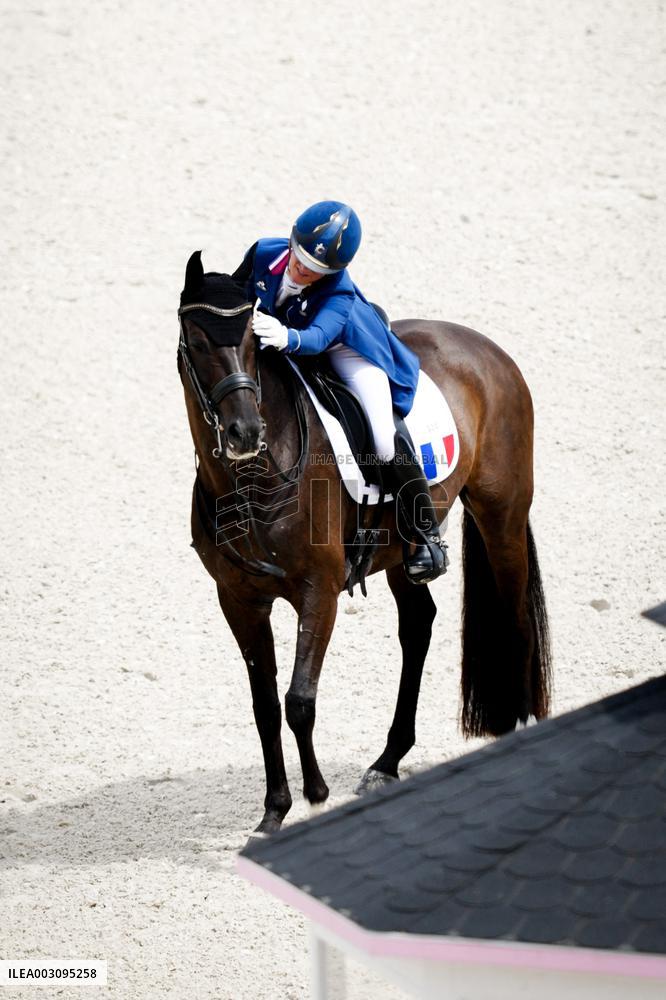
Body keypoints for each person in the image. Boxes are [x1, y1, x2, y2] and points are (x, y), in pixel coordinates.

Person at [232, 200, 446, 584]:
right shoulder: (264, 251)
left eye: (315, 271)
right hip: (285, 336)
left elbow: (318, 338)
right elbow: (236, 294)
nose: (302, 270)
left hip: (347, 352)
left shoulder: (339, 292)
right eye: (299, 259)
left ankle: (426, 534)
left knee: (382, 439)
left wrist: (286, 336)